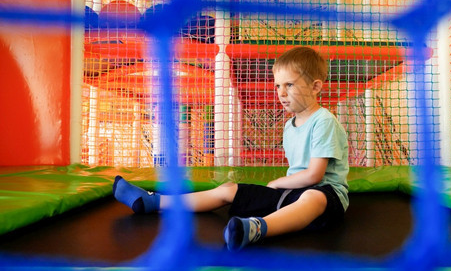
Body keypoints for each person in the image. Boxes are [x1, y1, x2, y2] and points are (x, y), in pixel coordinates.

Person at [113, 46, 349, 251]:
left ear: (316, 86)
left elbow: (314, 175)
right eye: (278, 85)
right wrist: (278, 188)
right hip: (291, 193)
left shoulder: (323, 120)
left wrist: (276, 184)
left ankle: (257, 228)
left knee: (312, 198)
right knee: (228, 189)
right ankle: (153, 202)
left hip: (326, 194)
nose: (281, 93)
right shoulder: (290, 125)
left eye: (290, 84)